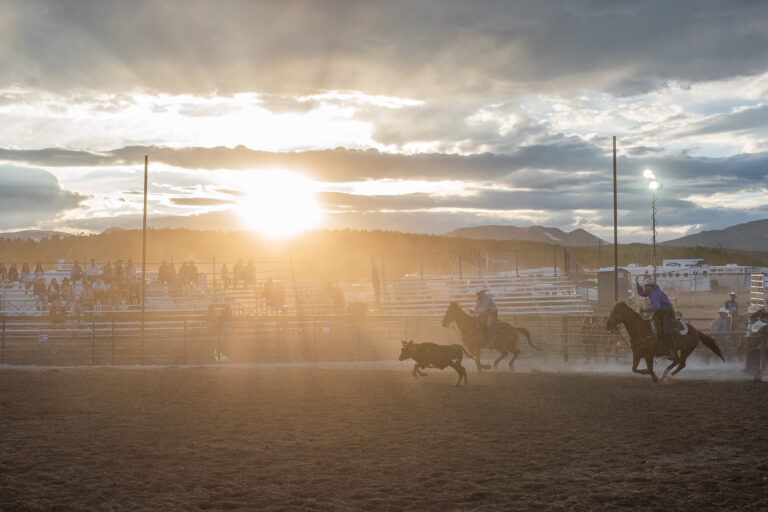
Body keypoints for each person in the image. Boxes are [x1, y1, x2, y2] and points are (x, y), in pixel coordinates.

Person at [636, 277, 679, 363]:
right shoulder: (651, 292)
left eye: (646, 286)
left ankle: (673, 352)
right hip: (660, 313)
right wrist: (637, 283)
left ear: (650, 286)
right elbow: (641, 293)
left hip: (667, 313)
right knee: (654, 329)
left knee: (667, 331)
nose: (644, 288)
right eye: (644, 286)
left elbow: (656, 306)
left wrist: (645, 309)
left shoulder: (655, 294)